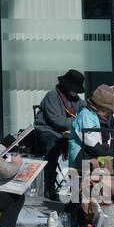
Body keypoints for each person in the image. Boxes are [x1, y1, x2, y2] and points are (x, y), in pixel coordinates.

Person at [68, 85, 114, 223]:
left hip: (94, 159)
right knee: (80, 192)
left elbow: (105, 143)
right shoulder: (86, 116)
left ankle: (100, 208)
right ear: (99, 106)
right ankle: (81, 215)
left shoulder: (99, 117)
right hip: (82, 159)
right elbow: (94, 147)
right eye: (109, 111)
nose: (111, 114)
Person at [32, 69, 87, 200]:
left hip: (67, 133)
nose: (76, 92)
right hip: (48, 131)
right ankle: (49, 186)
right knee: (53, 144)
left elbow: (86, 111)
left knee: (83, 147)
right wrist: (79, 121)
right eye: (74, 89)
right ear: (66, 86)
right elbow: (57, 121)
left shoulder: (76, 100)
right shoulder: (52, 96)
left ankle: (78, 186)